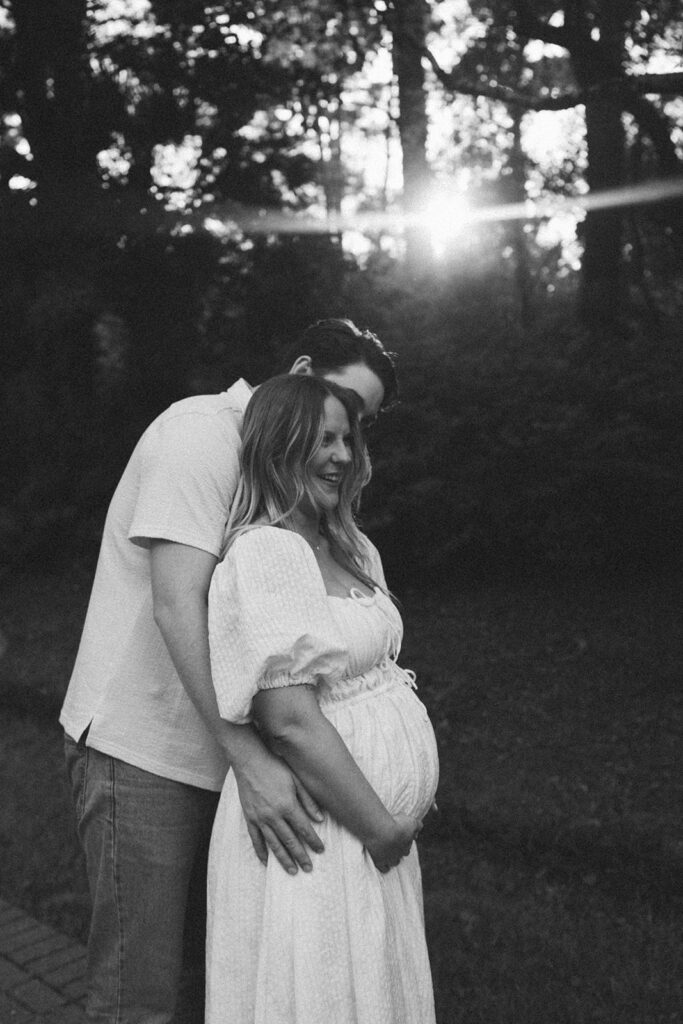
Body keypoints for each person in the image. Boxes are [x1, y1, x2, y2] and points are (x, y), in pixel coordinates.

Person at [59, 319, 398, 1024]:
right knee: (137, 998)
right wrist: (251, 758)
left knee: (218, 988)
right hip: (145, 751)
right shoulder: (200, 435)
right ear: (301, 368)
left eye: (359, 422)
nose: (346, 434)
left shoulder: (290, 471)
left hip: (226, 761)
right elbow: (177, 602)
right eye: (340, 403)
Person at [206, 374, 439, 1024]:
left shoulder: (351, 546)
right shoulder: (267, 553)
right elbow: (288, 723)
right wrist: (379, 827)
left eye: (346, 438)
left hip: (370, 837)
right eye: (322, 438)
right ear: (279, 446)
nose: (340, 454)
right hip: (326, 832)